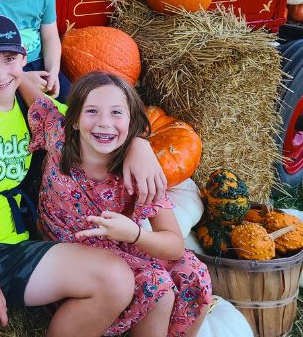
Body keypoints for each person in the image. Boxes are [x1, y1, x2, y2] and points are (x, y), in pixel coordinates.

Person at [0, 14, 166, 337]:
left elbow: (92, 128)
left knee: (117, 279)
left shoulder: (33, 109)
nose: (1, 73)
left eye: (9, 59)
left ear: (24, 59)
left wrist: (140, 145)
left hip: (11, 250)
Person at [28, 72, 212, 337]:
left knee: (192, 272)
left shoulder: (139, 173)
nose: (104, 123)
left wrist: (134, 234)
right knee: (157, 286)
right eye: (92, 111)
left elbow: (174, 245)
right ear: (75, 119)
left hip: (122, 242)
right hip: (65, 248)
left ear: (131, 122)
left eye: (116, 113)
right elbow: (16, 79)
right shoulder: (58, 134)